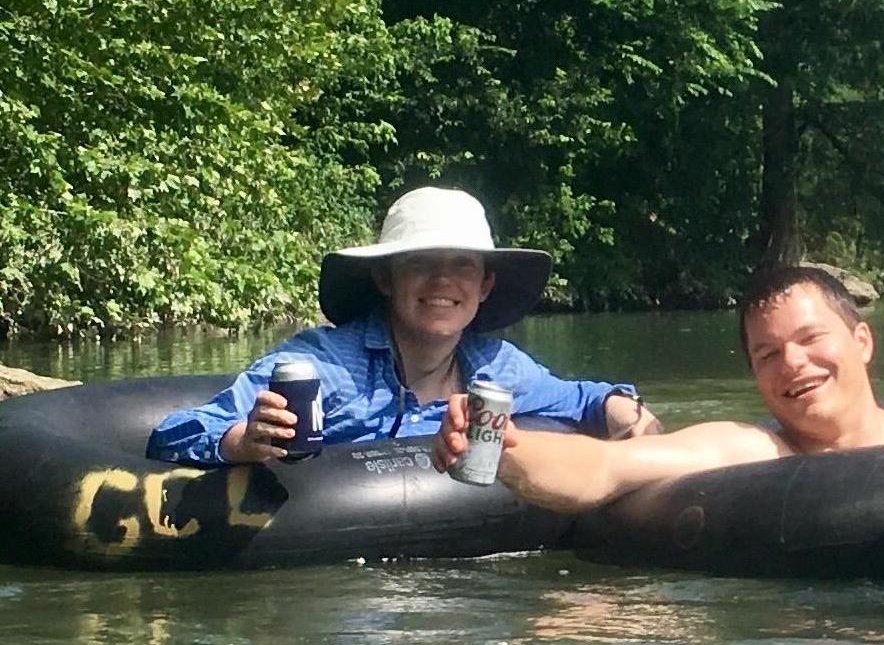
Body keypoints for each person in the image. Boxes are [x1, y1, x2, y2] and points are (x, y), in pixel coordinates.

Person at [431, 264, 884, 511]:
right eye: (767, 353)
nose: (793, 363)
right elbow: (606, 468)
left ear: (862, 341)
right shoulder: (754, 450)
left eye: (812, 338)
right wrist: (506, 449)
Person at [147, 186, 661, 464]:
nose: (443, 280)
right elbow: (176, 432)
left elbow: (582, 399)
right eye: (421, 263)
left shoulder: (496, 366)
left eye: (463, 264)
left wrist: (628, 416)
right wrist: (241, 442)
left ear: (483, 286)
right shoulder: (322, 365)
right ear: (385, 279)